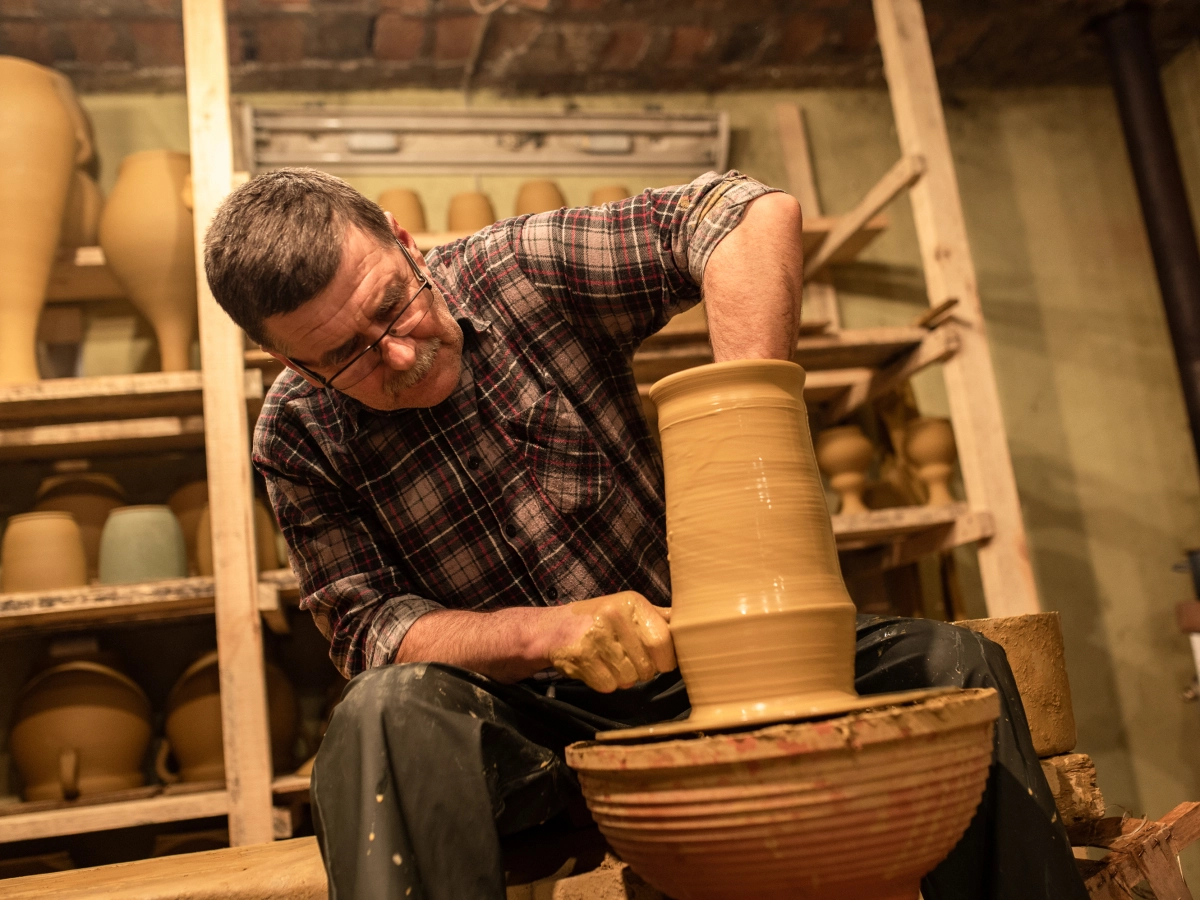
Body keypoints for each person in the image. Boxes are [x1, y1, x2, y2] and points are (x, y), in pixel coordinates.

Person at [204, 167, 1087, 900]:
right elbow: (369, 634)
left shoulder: (516, 273)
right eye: (348, 356)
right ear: (291, 362)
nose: (399, 354)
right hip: (531, 730)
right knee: (379, 716)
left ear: (404, 243)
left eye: (393, 307)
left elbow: (743, 212)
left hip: (707, 662)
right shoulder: (297, 434)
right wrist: (544, 633)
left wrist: (749, 431)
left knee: (954, 666)